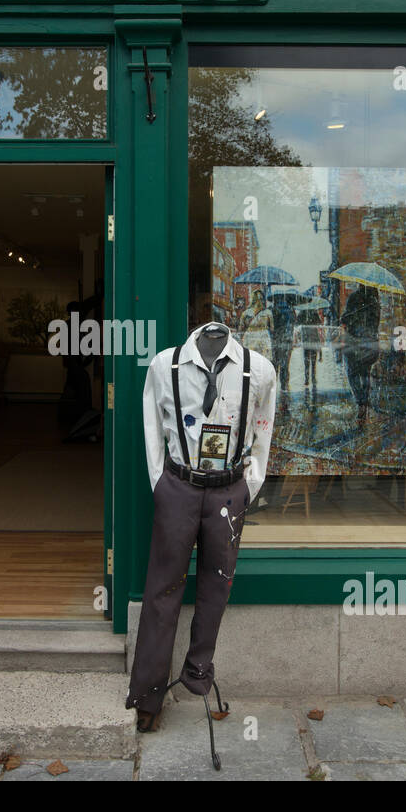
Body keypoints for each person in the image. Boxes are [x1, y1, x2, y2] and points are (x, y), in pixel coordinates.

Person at [126, 322, 277, 741]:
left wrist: (249, 485)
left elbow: (263, 431)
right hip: (178, 486)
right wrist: (161, 482)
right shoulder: (164, 365)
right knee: (161, 589)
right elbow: (152, 427)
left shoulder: (259, 369)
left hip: (228, 490)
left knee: (217, 585)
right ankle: (148, 696)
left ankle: (197, 674)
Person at [339, 284, 380, 429]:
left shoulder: (354, 297)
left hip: (355, 343)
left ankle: (360, 401)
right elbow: (376, 323)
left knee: (352, 373)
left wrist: (343, 318)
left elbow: (347, 318)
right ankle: (365, 400)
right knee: (366, 373)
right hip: (371, 343)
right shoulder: (376, 301)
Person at [239, 289, 272, 357]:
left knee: (250, 360)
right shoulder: (268, 313)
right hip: (263, 337)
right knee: (263, 360)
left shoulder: (245, 313)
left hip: (250, 337)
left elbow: (241, 328)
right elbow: (272, 328)